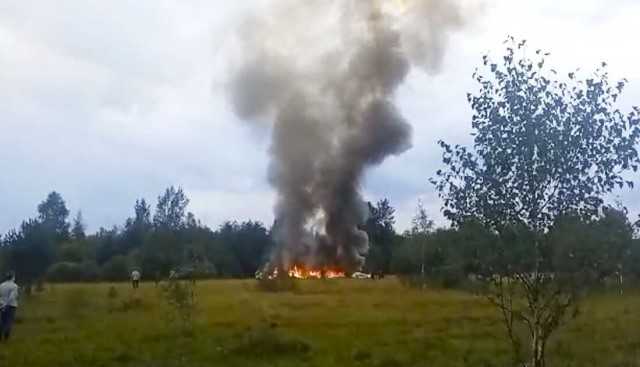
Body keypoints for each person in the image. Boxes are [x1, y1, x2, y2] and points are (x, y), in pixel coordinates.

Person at [0, 271, 19, 342]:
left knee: (2, 321)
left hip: (1, 305)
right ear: (12, 277)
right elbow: (12, 297)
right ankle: (6, 337)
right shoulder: (14, 286)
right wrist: (6, 304)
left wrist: (2, 304)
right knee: (9, 321)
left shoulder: (1, 285)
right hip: (10, 306)